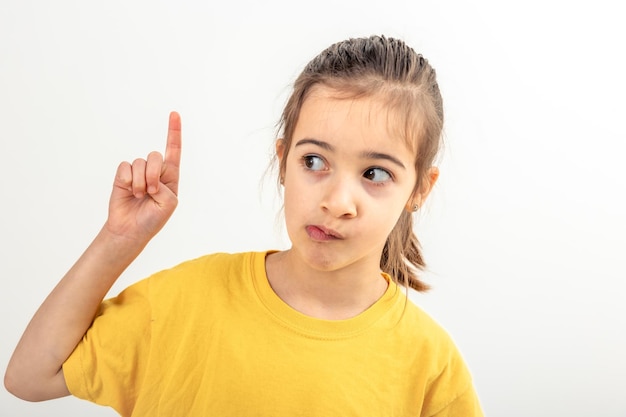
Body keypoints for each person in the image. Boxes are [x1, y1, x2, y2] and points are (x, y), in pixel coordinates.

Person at [5, 35, 483, 416]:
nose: (337, 202)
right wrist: (119, 239)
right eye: (314, 160)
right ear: (283, 161)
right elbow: (28, 377)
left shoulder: (429, 364)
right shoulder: (188, 300)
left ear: (420, 189)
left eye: (375, 174)